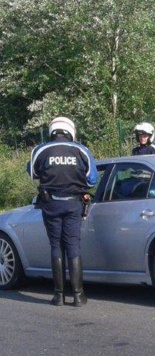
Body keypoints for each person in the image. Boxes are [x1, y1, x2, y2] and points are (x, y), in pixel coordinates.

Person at [27, 117, 98, 307]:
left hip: (50, 204)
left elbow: (32, 173)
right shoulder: (82, 150)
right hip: (74, 204)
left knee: (56, 246)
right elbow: (92, 179)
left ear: (52, 131)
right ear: (70, 131)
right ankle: (78, 295)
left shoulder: (40, 150)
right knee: (73, 245)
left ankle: (58, 295)